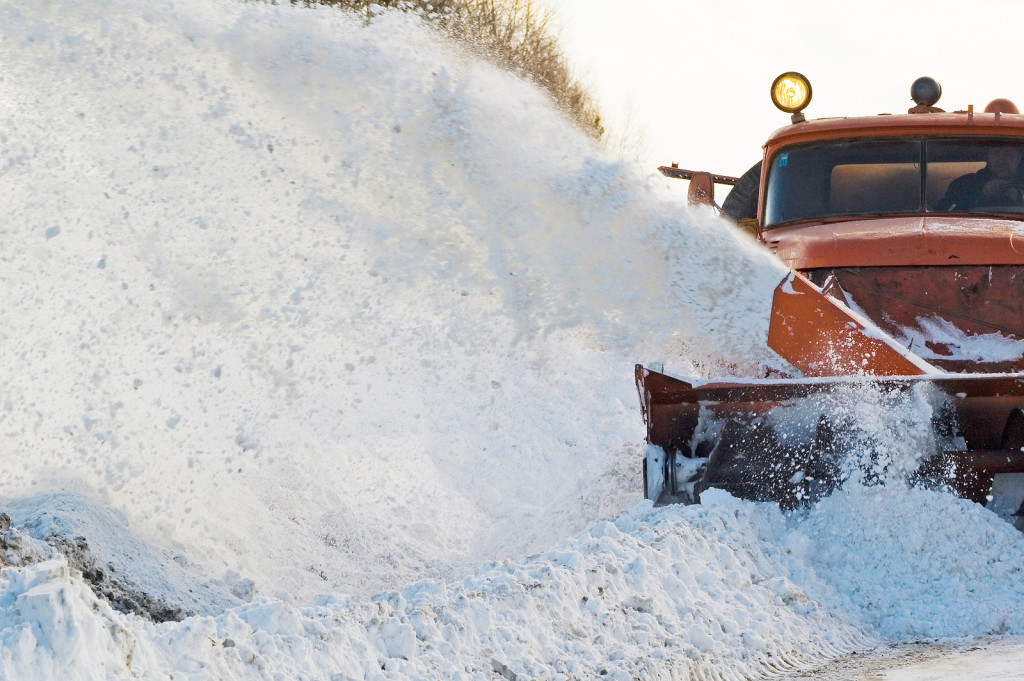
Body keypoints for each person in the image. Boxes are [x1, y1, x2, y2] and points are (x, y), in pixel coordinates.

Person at [943, 145, 1024, 211]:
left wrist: (1017, 195)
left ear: (1019, 158)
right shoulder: (963, 184)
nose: (1002, 159)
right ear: (987, 157)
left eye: (1008, 153)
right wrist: (980, 193)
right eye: (997, 152)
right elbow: (946, 211)